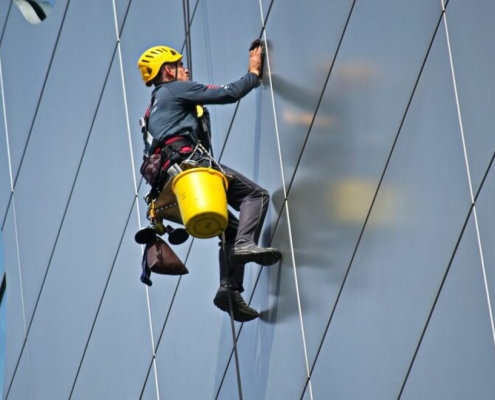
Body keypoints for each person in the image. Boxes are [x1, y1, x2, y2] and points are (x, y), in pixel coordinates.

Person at [137, 42, 281, 322]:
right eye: (180, 65)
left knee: (231, 227)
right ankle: (245, 245)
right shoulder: (174, 89)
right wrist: (253, 73)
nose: (186, 69)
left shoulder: (151, 110)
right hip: (190, 169)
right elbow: (228, 93)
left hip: (169, 189)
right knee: (256, 196)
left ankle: (229, 290)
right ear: (168, 71)